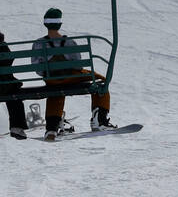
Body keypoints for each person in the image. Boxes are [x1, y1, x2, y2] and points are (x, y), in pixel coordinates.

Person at [31, 8, 116, 141]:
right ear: (59, 24)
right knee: (100, 81)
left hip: (52, 81)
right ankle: (100, 119)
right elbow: (78, 65)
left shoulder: (38, 44)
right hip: (71, 78)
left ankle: (52, 128)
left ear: (45, 24)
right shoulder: (69, 42)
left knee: (56, 92)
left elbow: (37, 68)